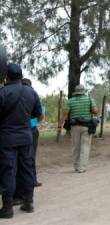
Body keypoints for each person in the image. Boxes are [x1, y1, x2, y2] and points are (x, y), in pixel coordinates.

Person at [0, 64, 42, 218]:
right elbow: (37, 115)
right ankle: (29, 203)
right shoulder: (32, 93)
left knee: (8, 171)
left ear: (7, 76)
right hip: (26, 137)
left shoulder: (3, 93)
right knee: (27, 169)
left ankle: (7, 208)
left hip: (7, 140)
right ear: (21, 75)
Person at [58, 85, 98, 173]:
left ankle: (76, 166)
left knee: (75, 147)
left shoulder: (70, 101)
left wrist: (59, 126)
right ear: (83, 92)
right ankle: (82, 168)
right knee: (85, 146)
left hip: (74, 126)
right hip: (86, 126)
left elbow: (65, 114)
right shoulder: (89, 99)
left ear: (75, 92)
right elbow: (95, 111)